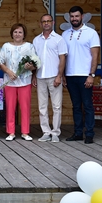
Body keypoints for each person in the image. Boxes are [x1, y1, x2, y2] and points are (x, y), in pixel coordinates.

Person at [63, 5, 100, 144]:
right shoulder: (65, 34)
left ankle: (89, 133)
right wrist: (63, 75)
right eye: (72, 16)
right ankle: (78, 133)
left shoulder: (91, 33)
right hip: (70, 75)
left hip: (85, 74)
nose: (74, 19)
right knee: (76, 106)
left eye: (77, 16)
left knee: (87, 105)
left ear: (82, 17)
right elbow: (63, 57)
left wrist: (92, 74)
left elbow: (95, 56)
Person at [32, 14, 67, 143]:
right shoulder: (36, 40)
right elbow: (34, 60)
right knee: (42, 106)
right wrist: (34, 75)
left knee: (56, 106)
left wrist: (59, 76)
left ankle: (56, 132)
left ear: (52, 23)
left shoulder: (59, 39)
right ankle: (46, 132)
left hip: (54, 76)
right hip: (40, 76)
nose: (46, 23)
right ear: (40, 24)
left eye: (48, 21)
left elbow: (62, 58)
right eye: (44, 21)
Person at [0, 23, 37, 141]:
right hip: (10, 82)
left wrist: (29, 66)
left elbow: (35, 64)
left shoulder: (29, 46)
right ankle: (11, 132)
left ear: (24, 34)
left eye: (20, 32)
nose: (17, 34)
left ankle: (25, 132)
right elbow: (0, 62)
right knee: (10, 107)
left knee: (25, 107)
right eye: (15, 32)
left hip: (25, 81)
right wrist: (9, 72)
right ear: (12, 33)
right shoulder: (6, 46)